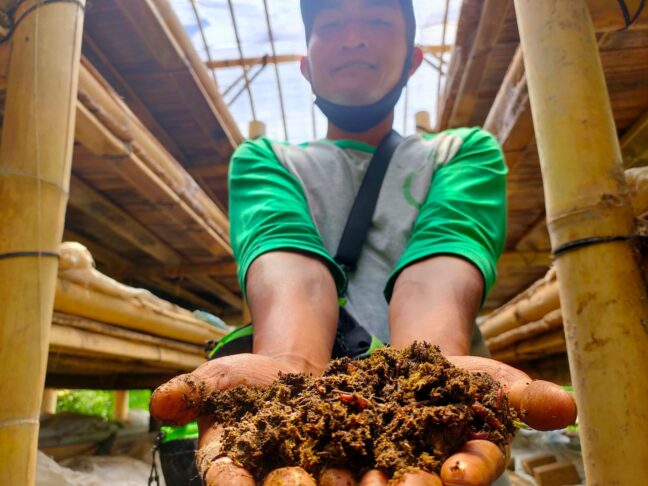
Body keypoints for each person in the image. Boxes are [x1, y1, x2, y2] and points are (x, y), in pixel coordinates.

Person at [151, 1, 577, 484]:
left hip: (446, 457)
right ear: (306, 66)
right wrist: (289, 364)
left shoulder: (462, 152)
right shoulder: (265, 158)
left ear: (413, 59)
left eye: (376, 21)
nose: (353, 38)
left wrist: (433, 370)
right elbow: (289, 265)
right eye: (331, 26)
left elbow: (439, 267)